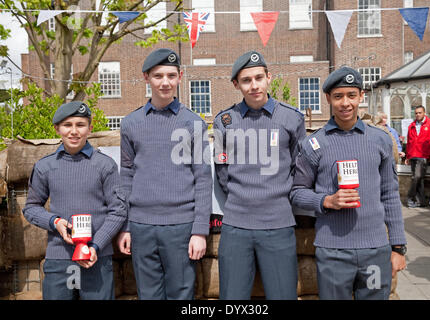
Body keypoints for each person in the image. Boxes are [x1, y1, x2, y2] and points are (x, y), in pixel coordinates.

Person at [290, 66, 407, 300]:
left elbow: (390, 195)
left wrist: (398, 247)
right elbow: (296, 193)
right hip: (333, 252)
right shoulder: (314, 144)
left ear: (361, 96)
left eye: (351, 95)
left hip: (374, 250)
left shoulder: (380, 140)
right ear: (328, 99)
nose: (345, 103)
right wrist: (326, 200)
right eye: (338, 96)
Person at [117, 48, 212, 300]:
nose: (165, 82)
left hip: (180, 226)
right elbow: (126, 175)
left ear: (180, 76)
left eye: (171, 75)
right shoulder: (130, 123)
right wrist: (125, 226)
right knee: (148, 295)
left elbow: (203, 177)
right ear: (146, 77)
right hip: (141, 226)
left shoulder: (194, 123)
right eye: (158, 76)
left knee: (182, 294)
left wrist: (199, 231)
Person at [213, 51, 306, 300]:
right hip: (236, 224)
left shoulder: (292, 117)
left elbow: (300, 168)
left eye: (258, 78)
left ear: (269, 78)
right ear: (236, 84)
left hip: (278, 224)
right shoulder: (225, 121)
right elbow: (222, 171)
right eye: (246, 80)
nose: (254, 85)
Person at [23, 101, 126, 300]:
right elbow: (31, 208)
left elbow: (118, 211)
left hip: (97, 259)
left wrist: (96, 245)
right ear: (57, 129)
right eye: (67, 125)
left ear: (90, 128)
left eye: (80, 125)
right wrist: (55, 222)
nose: (74, 131)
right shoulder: (45, 167)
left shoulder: (105, 165)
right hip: (59, 259)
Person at [405, 105, 430, 207]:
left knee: (417, 177)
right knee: (418, 179)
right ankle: (422, 202)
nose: (418, 115)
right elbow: (409, 142)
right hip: (413, 155)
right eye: (416, 113)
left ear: (424, 113)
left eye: (420, 112)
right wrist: (407, 156)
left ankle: (410, 197)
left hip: (424, 155)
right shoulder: (411, 125)